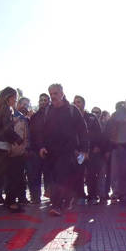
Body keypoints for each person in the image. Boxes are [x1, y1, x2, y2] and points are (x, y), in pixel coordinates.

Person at [39, 83, 87, 216]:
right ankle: (63, 201)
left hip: (67, 152)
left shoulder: (72, 110)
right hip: (51, 152)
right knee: (53, 179)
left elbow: (83, 131)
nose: (53, 96)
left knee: (61, 177)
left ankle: (57, 205)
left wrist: (84, 150)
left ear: (62, 93)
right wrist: (42, 146)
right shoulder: (48, 111)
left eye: (56, 93)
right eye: (51, 94)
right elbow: (42, 131)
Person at [27, 93, 50, 205]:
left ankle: (51, 195)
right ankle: (35, 197)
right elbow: (30, 133)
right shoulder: (35, 116)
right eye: (41, 100)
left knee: (50, 176)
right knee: (34, 176)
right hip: (35, 151)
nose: (43, 102)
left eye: (45, 100)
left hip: (50, 151)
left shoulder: (53, 115)